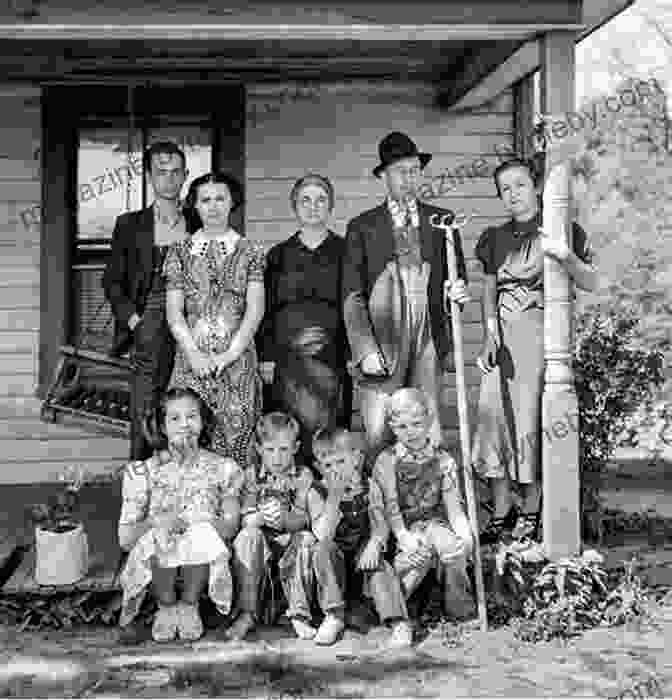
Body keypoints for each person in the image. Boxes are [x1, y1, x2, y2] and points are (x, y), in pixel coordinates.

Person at [472, 157, 597, 544]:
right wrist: (490, 333)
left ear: (535, 186)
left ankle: (530, 511)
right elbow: (489, 291)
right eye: (505, 189)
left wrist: (563, 254)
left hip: (537, 336)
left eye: (520, 185)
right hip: (502, 341)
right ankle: (502, 511)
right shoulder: (494, 238)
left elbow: (590, 280)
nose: (513, 194)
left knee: (526, 423)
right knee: (493, 422)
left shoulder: (560, 229)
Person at [342, 131, 470, 461]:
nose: (409, 178)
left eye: (414, 169)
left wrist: (457, 292)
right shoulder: (362, 226)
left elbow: (458, 280)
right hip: (383, 338)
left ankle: (430, 507)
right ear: (383, 176)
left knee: (426, 426)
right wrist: (365, 349)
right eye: (401, 171)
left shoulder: (442, 221)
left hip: (427, 335)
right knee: (380, 431)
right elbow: (352, 295)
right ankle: (382, 509)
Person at [117, 387, 244, 642]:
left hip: (202, 553)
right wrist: (156, 521)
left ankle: (189, 605)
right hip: (160, 554)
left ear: (203, 422)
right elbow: (126, 539)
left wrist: (201, 519)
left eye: (192, 416)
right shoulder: (143, 472)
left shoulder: (223, 468)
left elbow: (231, 527)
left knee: (199, 532)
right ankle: (166, 606)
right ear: (163, 427)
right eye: (174, 418)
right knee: (161, 531)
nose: (184, 424)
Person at [164, 172, 265, 468]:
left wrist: (230, 354)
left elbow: (255, 310)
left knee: (239, 435)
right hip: (191, 363)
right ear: (194, 206)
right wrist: (194, 354)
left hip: (237, 362)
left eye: (220, 198)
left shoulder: (251, 251)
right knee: (188, 434)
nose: (213, 206)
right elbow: (174, 312)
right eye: (205, 199)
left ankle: (237, 509)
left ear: (232, 202)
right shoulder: (179, 252)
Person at [258, 173, 352, 467]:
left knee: (329, 432)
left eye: (321, 200)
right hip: (287, 362)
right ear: (294, 206)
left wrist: (353, 354)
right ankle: (288, 496)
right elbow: (266, 310)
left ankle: (329, 496)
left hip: (331, 358)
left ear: (331, 205)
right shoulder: (278, 255)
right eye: (305, 200)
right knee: (286, 432)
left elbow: (355, 306)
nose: (313, 207)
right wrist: (266, 357)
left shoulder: (346, 252)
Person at [103, 141, 188, 460]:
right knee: (146, 405)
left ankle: (189, 493)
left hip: (191, 320)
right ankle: (139, 489)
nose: (169, 179)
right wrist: (134, 321)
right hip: (149, 317)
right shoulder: (130, 224)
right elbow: (111, 281)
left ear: (185, 176)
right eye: (161, 172)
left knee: (188, 403)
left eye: (176, 172)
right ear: (150, 177)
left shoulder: (197, 221)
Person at [370, 388, 476, 624]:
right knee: (418, 556)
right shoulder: (386, 461)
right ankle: (397, 606)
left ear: (429, 420)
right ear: (392, 427)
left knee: (454, 549)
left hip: (433, 524)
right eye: (402, 427)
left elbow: (453, 506)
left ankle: (459, 606)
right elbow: (390, 505)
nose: (410, 433)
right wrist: (402, 535)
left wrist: (464, 534)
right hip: (402, 529)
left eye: (417, 424)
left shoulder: (443, 460)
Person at [305, 427, 413, 647]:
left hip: (362, 557)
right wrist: (334, 497)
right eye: (328, 465)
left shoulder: (369, 486)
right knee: (321, 550)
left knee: (381, 566)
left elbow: (379, 521)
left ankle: (398, 622)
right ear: (318, 467)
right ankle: (334, 614)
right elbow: (324, 534)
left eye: (340, 461)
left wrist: (376, 542)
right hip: (336, 566)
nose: (335, 470)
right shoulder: (316, 492)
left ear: (355, 458)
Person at [227, 412, 316, 642]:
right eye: (270, 449)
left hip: (288, 540)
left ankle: (299, 614)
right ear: (258, 448)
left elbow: (303, 517)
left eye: (284, 449)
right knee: (248, 536)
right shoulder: (251, 475)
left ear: (296, 447)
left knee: (305, 539)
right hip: (260, 541)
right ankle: (247, 613)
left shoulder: (303, 475)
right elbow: (244, 517)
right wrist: (258, 517)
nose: (277, 458)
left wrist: (285, 519)